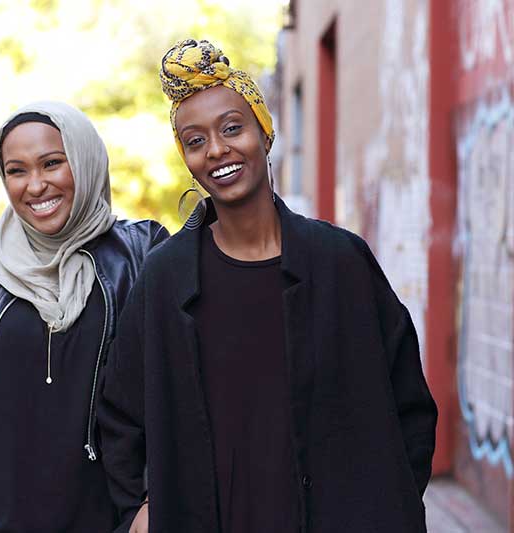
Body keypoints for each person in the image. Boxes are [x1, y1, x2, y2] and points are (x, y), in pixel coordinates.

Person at [98, 39, 438, 533]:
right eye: (195, 141)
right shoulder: (166, 277)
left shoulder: (340, 261)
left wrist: (389, 501)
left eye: (232, 128)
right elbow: (120, 413)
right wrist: (138, 509)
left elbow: (409, 401)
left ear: (264, 130)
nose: (216, 150)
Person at [0, 101, 168, 533]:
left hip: (114, 522)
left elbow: (178, 393)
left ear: (85, 160)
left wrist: (157, 500)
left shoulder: (142, 253)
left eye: (52, 163)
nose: (36, 185)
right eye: (16, 170)